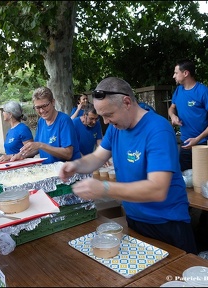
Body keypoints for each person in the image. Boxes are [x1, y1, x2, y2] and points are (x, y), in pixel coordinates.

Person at [59, 77, 197, 254]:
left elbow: (157, 189)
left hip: (167, 223)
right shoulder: (117, 128)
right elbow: (96, 158)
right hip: (134, 219)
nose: (106, 122)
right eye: (102, 117)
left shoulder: (158, 130)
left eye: (109, 115)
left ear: (126, 102)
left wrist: (105, 188)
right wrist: (75, 165)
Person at [168, 59, 208, 171]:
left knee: (202, 180)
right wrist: (173, 116)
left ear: (185, 73)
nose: (174, 76)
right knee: (185, 180)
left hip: (203, 144)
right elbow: (171, 108)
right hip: (185, 144)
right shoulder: (178, 91)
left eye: (176, 73)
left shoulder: (203, 92)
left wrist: (197, 139)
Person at [10, 86, 81, 164]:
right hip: (49, 171)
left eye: (45, 106)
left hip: (68, 171)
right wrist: (20, 155)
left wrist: (41, 145)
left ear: (53, 102)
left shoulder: (64, 120)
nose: (41, 110)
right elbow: (36, 148)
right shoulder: (41, 121)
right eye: (37, 107)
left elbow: (68, 154)